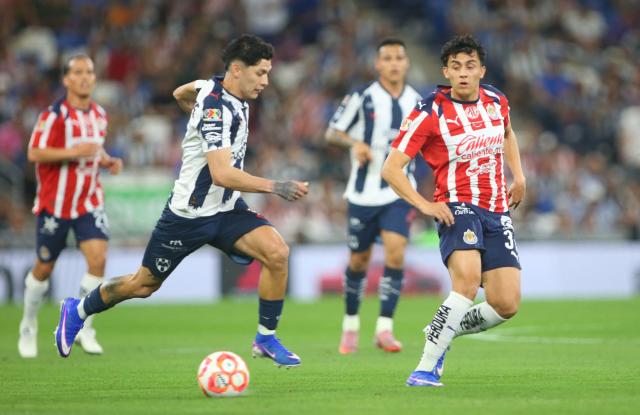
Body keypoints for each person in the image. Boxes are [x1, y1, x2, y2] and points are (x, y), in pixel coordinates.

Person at [54, 34, 309, 367]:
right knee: (143, 285)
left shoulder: (214, 90)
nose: (266, 81)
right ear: (236, 70)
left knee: (277, 253)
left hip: (227, 208)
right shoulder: (216, 108)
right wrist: (277, 186)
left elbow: (180, 92)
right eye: (260, 73)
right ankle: (79, 308)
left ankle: (265, 338)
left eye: (268, 73)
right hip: (189, 215)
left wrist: (194, 114)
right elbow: (221, 174)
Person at [381, 34, 526, 387]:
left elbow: (507, 134)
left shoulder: (496, 100)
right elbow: (391, 167)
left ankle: (441, 328)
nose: (463, 73)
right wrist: (425, 204)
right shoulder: (429, 110)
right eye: (456, 67)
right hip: (457, 206)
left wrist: (519, 176)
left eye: (470, 66)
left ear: (482, 70)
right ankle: (425, 368)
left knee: (506, 304)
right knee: (466, 283)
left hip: (496, 209)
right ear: (445, 71)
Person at [18, 54, 123, 358]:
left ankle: (83, 325)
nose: (85, 77)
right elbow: (34, 152)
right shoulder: (54, 116)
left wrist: (106, 160)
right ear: (66, 79)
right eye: (77, 72)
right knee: (43, 268)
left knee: (98, 259)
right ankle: (28, 324)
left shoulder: (100, 114)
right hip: (54, 205)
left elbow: (94, 150)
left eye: (89, 72)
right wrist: (73, 152)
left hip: (89, 201)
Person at [325, 38, 422, 354]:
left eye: (399, 57)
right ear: (378, 64)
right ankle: (350, 325)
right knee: (359, 261)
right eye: (388, 58)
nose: (394, 63)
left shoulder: (418, 102)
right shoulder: (361, 96)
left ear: (406, 63)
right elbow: (332, 132)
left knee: (396, 252)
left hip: (399, 191)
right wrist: (354, 144)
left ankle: (384, 328)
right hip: (363, 193)